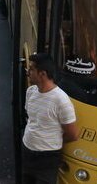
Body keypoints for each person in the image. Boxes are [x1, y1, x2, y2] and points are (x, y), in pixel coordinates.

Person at [22, 52, 78, 184]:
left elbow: (73, 134)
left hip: (47, 157)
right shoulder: (31, 92)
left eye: (31, 69)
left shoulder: (61, 100)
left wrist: (52, 140)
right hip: (27, 151)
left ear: (43, 74)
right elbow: (31, 119)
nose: (28, 72)